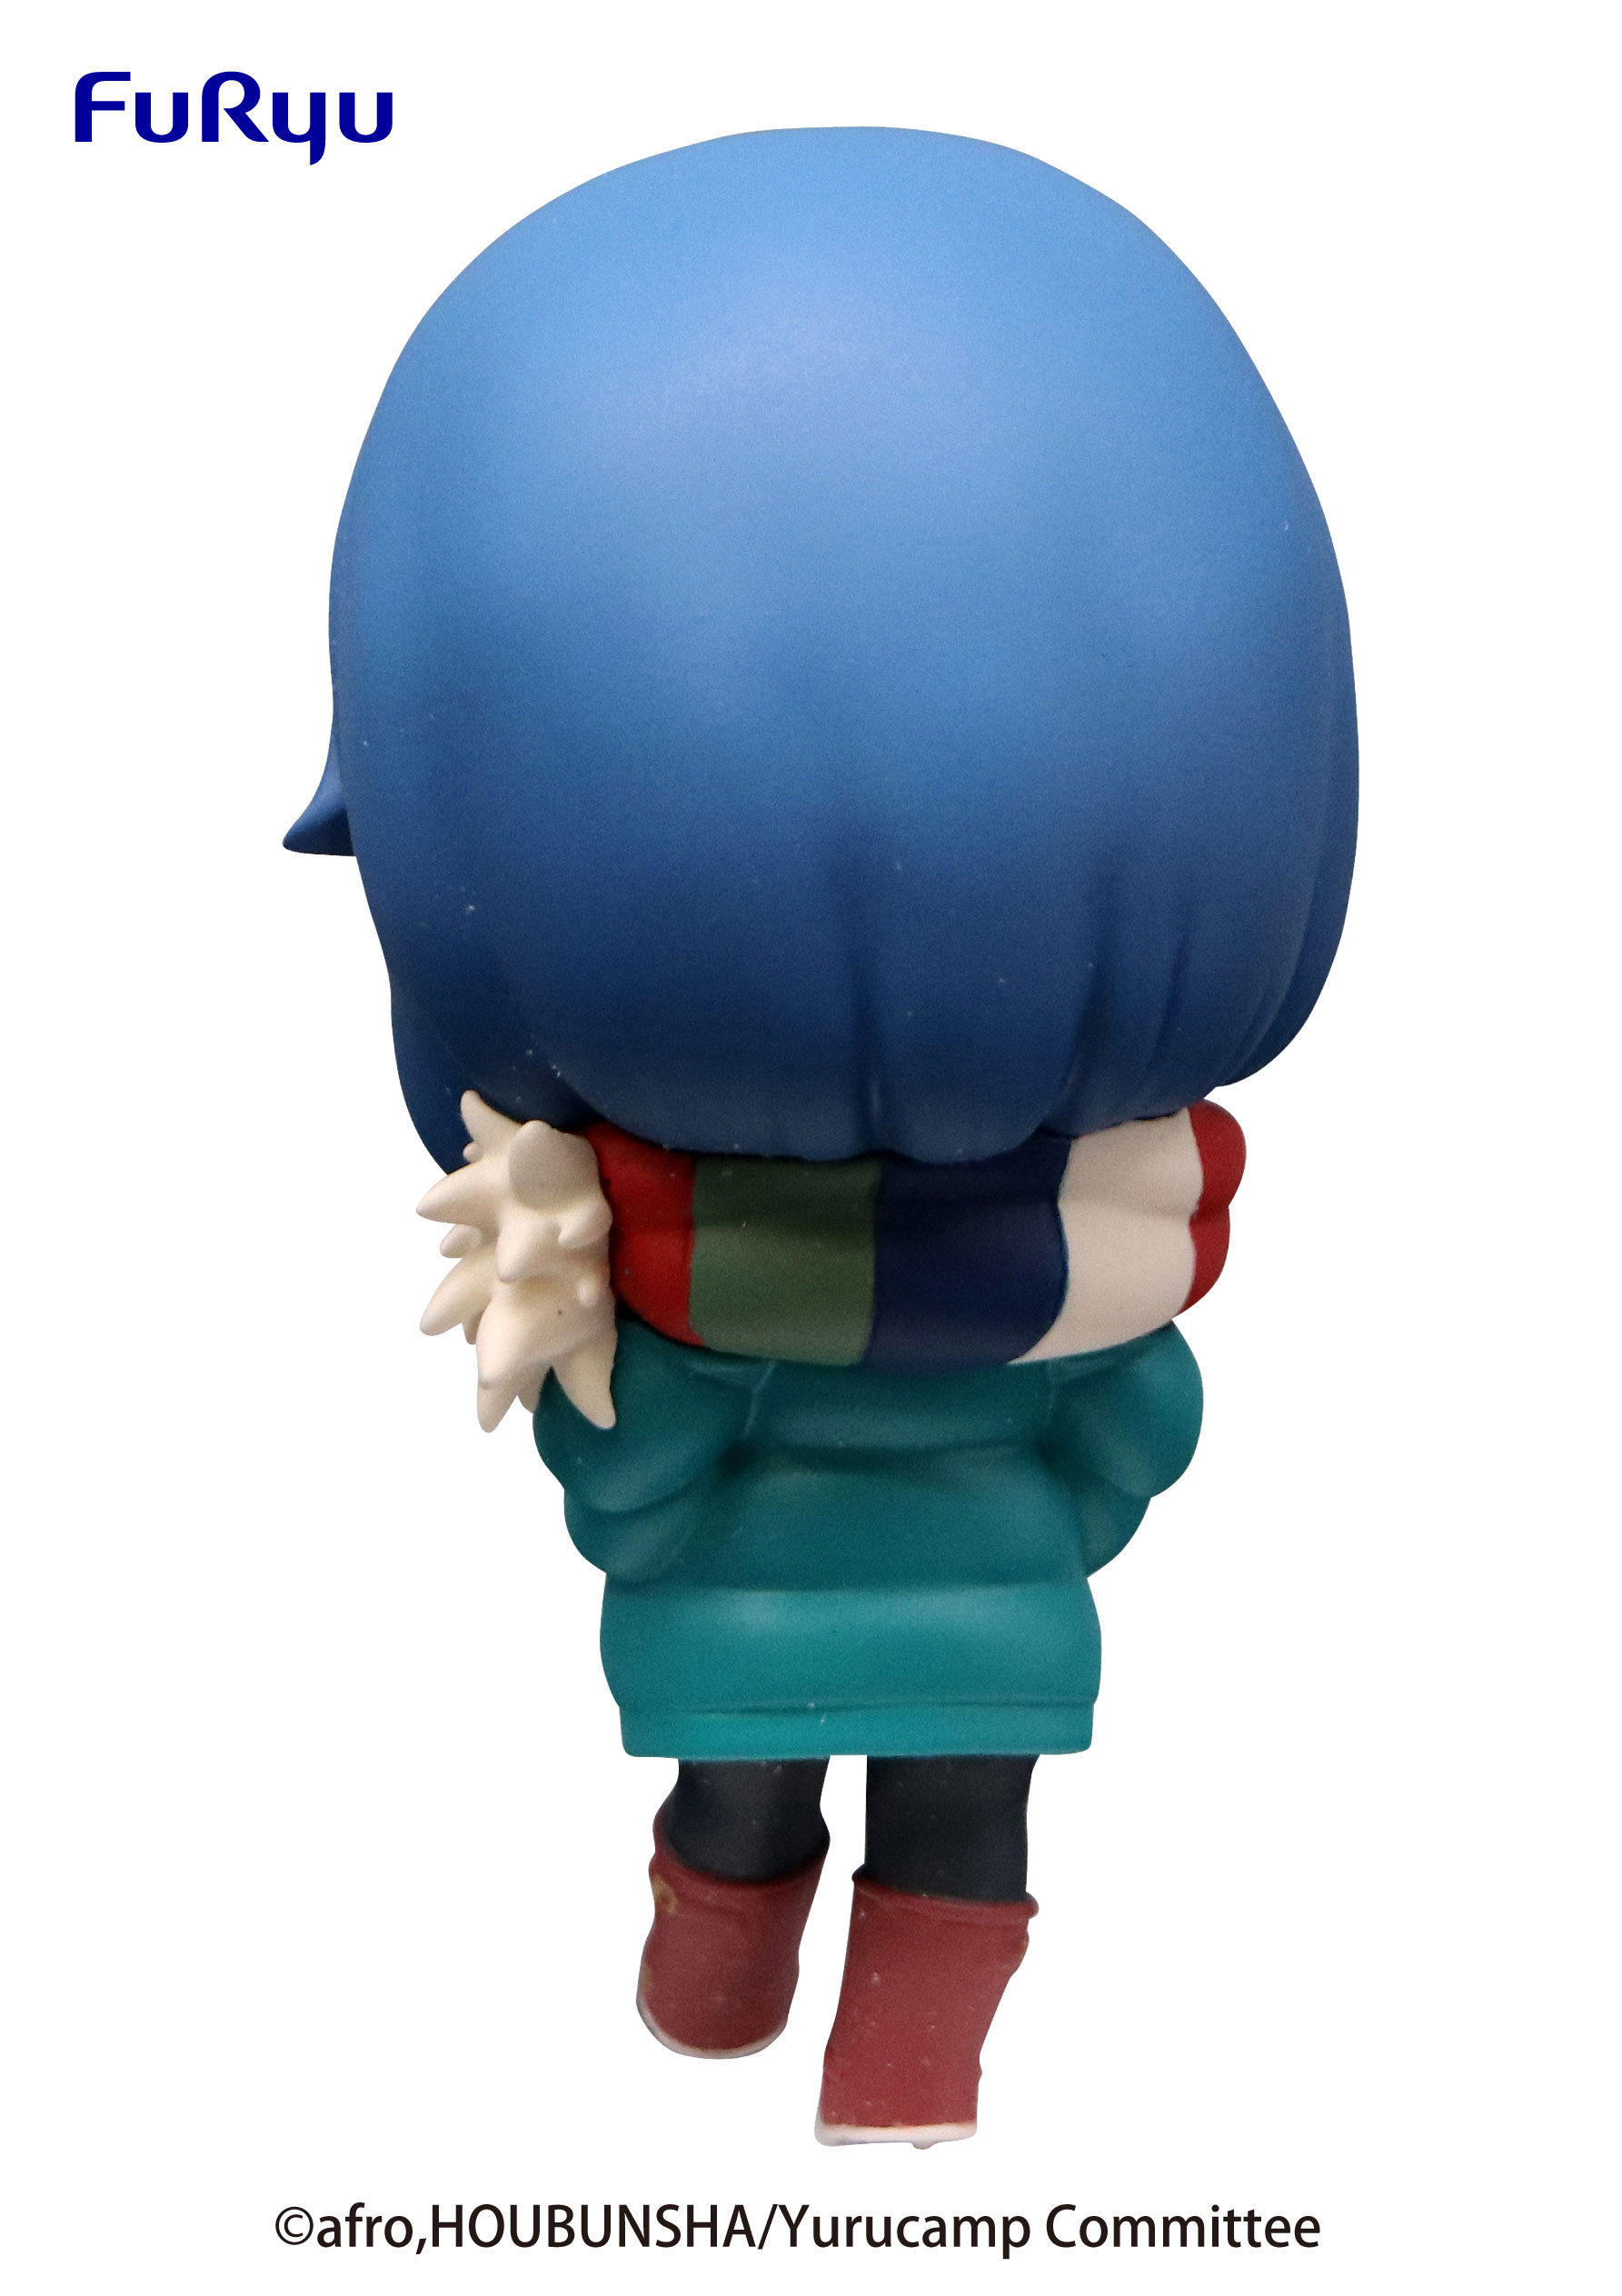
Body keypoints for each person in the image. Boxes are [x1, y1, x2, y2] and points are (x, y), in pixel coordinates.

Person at [286, 125, 1356, 2143]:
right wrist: (1022, 1547)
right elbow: (1139, 1439)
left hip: (725, 1651)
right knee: (965, 1844)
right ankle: (904, 2095)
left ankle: (710, 2000)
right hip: (1008, 1645)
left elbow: (633, 1486)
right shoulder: (1110, 1273)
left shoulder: (665, 1293)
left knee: (739, 1797)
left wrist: (643, 1446)